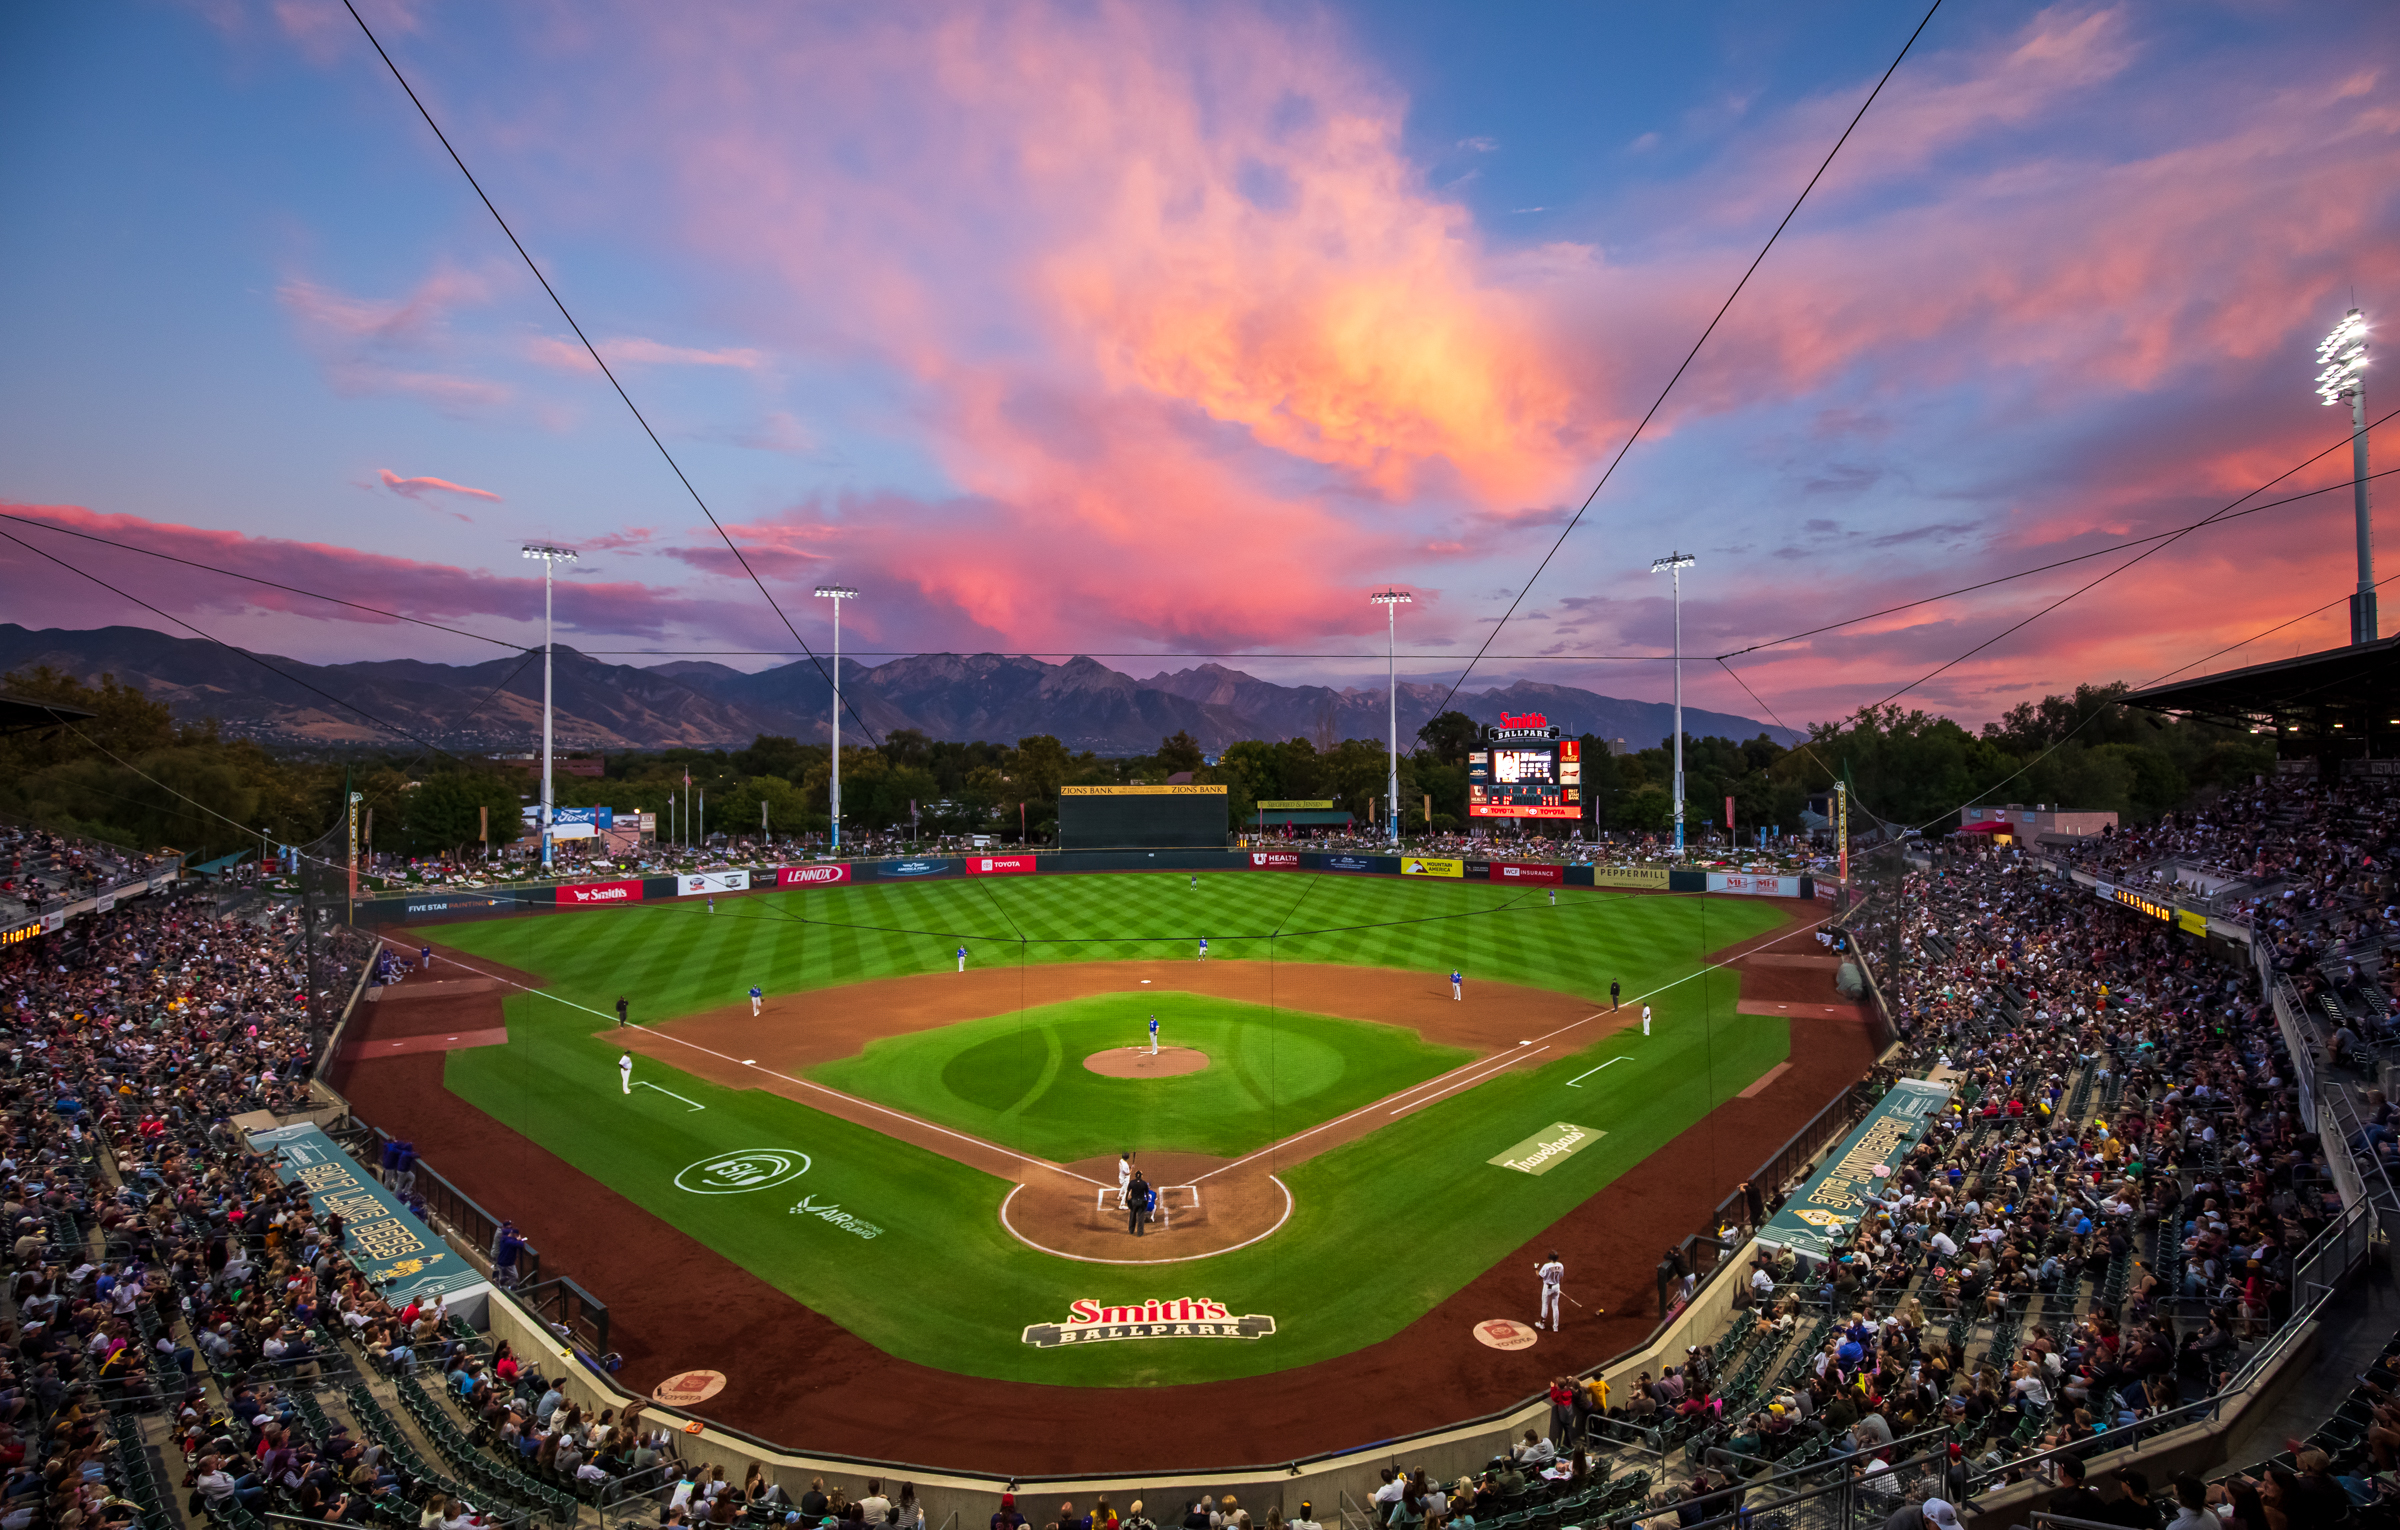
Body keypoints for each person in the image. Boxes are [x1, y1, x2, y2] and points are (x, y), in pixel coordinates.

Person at [1534, 1252, 1565, 1332]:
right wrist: (1558, 1288)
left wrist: (1535, 1269)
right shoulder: (1561, 1265)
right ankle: (1555, 1327)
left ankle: (1542, 1324)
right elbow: (1561, 1277)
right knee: (1555, 1306)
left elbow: (1539, 1277)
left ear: (1550, 1258)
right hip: (1557, 1286)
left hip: (1548, 1288)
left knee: (1545, 1305)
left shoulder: (1546, 1266)